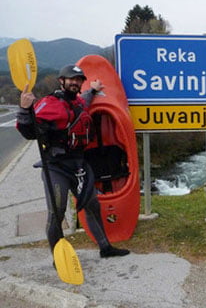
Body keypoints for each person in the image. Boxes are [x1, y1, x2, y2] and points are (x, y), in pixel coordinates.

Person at [16, 64, 130, 261]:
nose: (75, 83)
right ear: (62, 81)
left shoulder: (77, 102)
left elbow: (84, 101)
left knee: (92, 204)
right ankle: (59, 258)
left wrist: (93, 90)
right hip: (56, 167)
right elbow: (29, 132)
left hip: (79, 165)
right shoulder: (49, 103)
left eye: (79, 80)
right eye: (72, 79)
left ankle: (105, 248)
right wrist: (25, 110)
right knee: (57, 213)